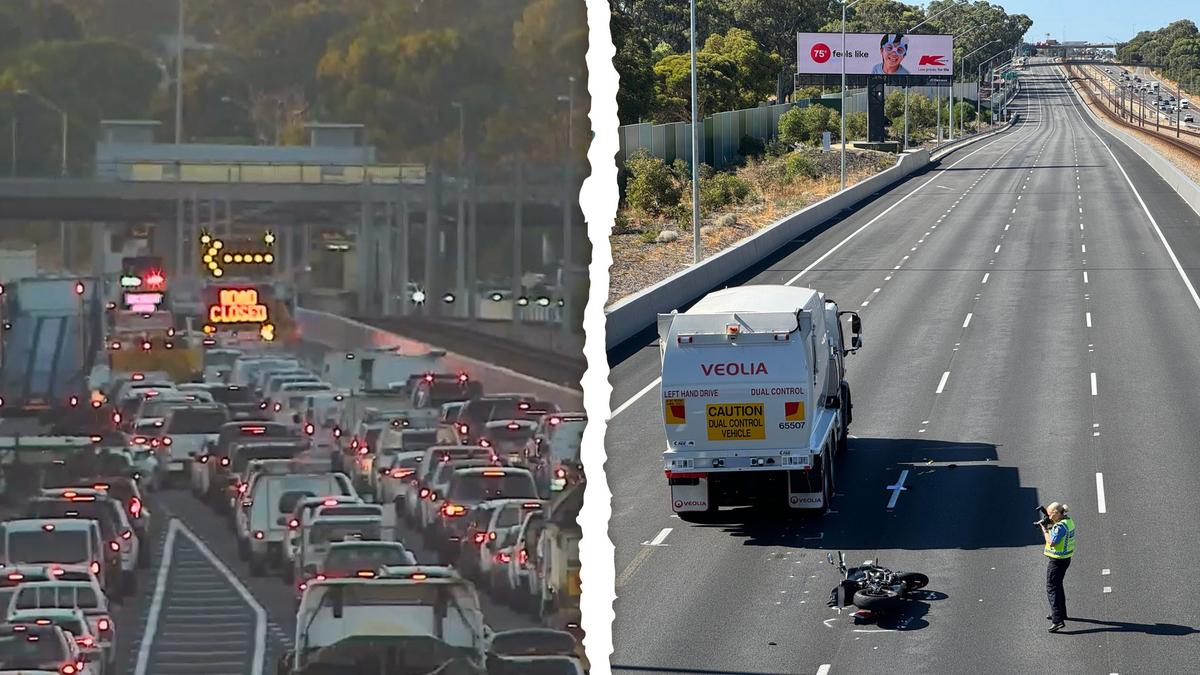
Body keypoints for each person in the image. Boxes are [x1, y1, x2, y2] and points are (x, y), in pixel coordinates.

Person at [1042, 501, 1075, 632]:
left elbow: (1052, 542)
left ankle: (1057, 620)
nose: (1048, 517)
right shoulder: (1068, 521)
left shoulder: (1059, 527)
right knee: (1058, 585)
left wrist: (1044, 529)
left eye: (1050, 515)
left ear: (1056, 514)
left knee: (1051, 588)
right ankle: (1061, 612)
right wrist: (1051, 525)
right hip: (1066, 559)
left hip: (1057, 561)